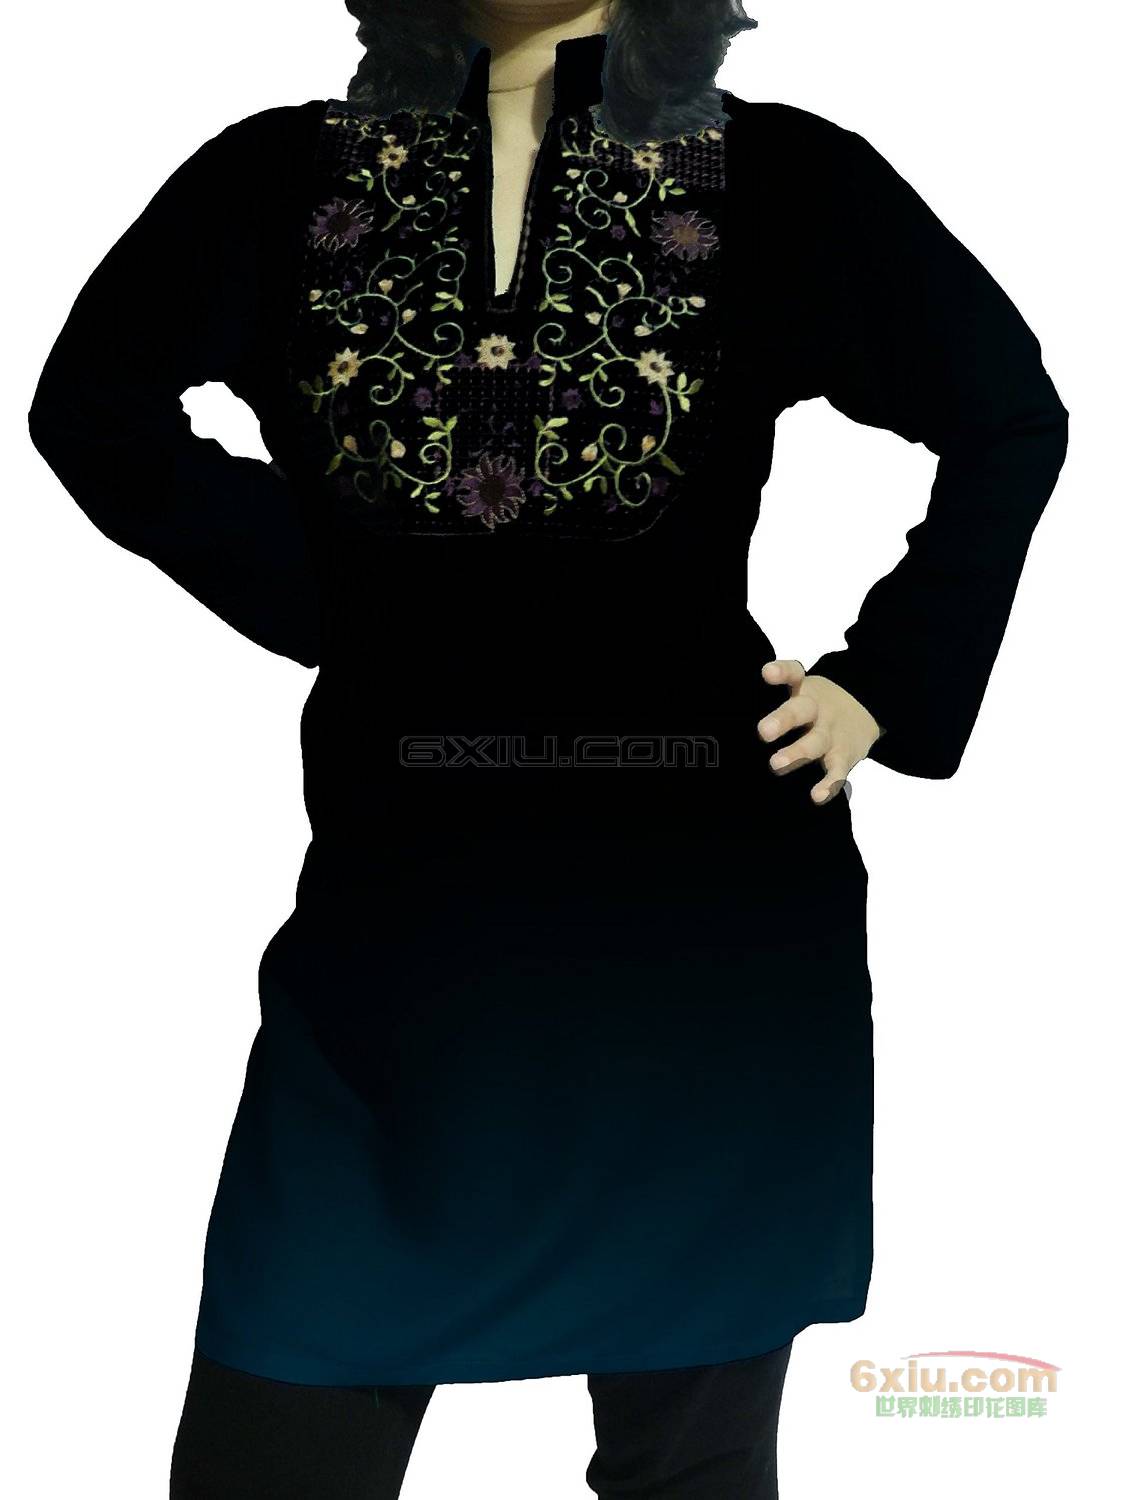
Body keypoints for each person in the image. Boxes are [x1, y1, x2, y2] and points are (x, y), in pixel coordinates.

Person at [26, 0, 1069, 1495]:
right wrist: (337, 594)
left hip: (702, 930)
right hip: (403, 918)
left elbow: (1008, 415)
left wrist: (887, 680)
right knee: (277, 1418)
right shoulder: (280, 177)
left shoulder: (777, 177)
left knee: (690, 1467)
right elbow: (91, 406)